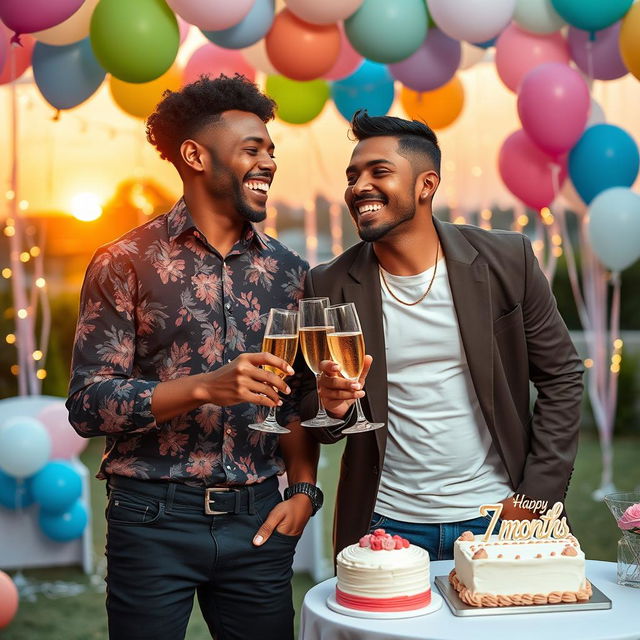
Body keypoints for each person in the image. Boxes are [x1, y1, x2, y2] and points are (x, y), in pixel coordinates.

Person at [66, 75, 320, 640]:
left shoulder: (291, 272)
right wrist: (207, 386)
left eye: (271, 150)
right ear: (195, 155)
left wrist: (303, 490)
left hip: (260, 518)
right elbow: (88, 404)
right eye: (252, 149)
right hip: (150, 520)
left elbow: (297, 401)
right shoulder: (124, 261)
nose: (269, 162)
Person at [304, 110, 584, 561]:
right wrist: (330, 405)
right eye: (352, 176)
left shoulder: (506, 260)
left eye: (379, 172)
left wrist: (535, 499)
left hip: (500, 517)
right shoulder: (329, 283)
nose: (359, 188)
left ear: (426, 185)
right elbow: (308, 411)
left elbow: (562, 377)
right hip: (384, 521)